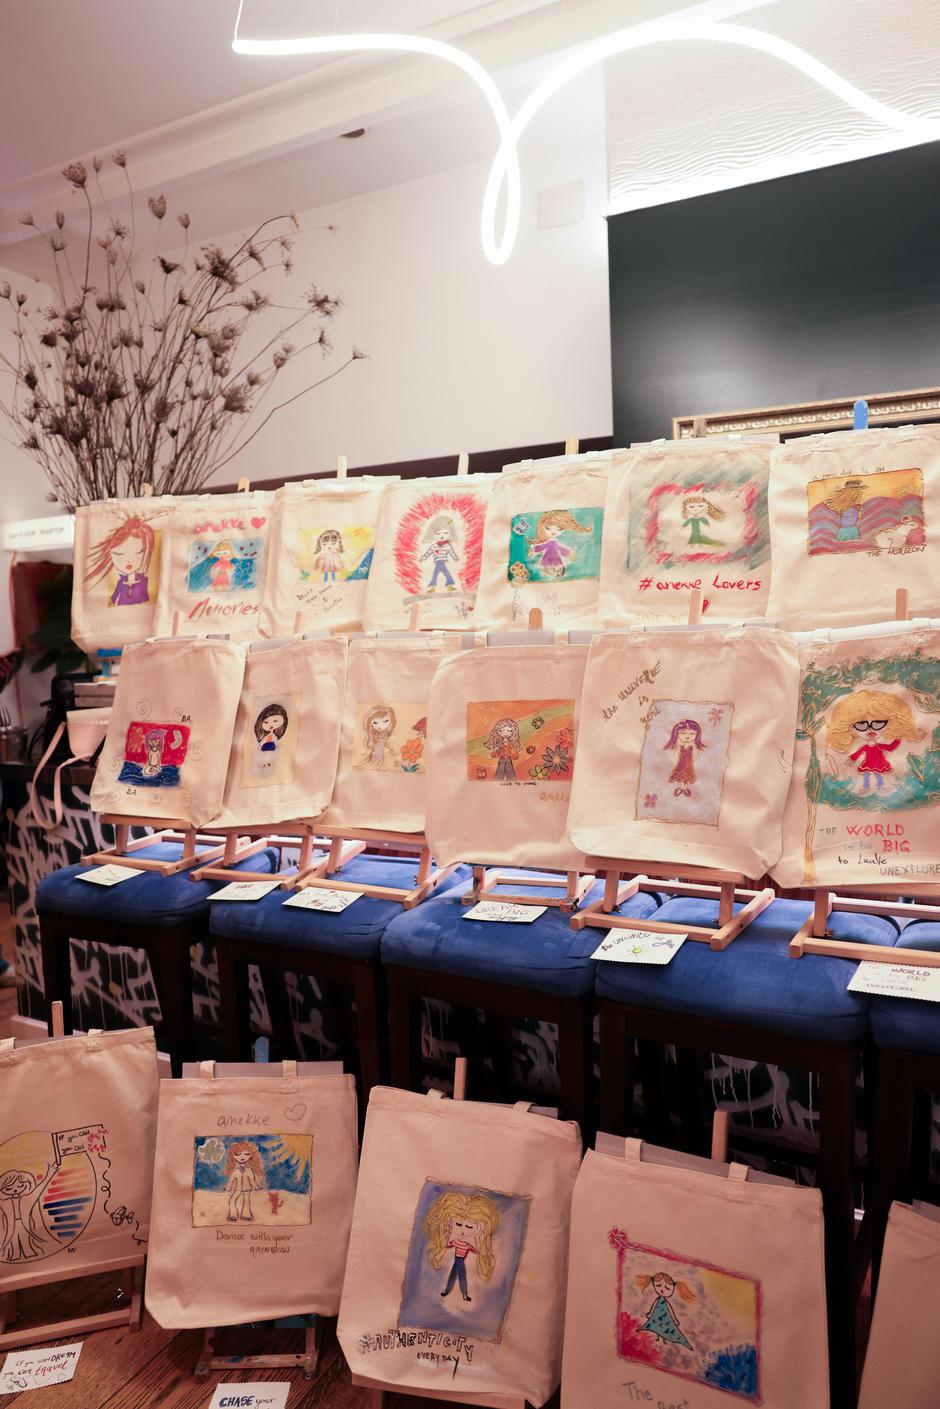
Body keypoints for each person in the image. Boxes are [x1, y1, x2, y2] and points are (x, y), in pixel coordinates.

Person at [826, 689, 924, 792]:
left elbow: (890, 747)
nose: (870, 729)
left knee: (877, 775)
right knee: (867, 775)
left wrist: (899, 737)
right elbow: (858, 753)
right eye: (861, 724)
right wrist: (851, 759)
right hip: (868, 764)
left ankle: (880, 785)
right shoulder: (865, 747)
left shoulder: (880, 746)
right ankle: (866, 786)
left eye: (878, 723)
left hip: (878, 764)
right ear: (850, 728)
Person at [423, 1190, 500, 1304]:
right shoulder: (456, 1241)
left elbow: (474, 1249)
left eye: (469, 1226)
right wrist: (443, 1242)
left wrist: (480, 1251)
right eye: (458, 1224)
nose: (463, 1230)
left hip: (461, 1261)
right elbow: (448, 1244)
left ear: (478, 1228)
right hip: (457, 1261)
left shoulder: (467, 1244)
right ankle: (449, 1291)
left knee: (461, 1276)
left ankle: (464, 1294)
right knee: (454, 1276)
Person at [84, 517, 156, 606]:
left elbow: (146, 600)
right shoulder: (120, 584)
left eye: (138, 553)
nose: (129, 560)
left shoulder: (143, 581)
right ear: (111, 554)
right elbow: (114, 600)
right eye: (119, 554)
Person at [637, 1271, 695, 1349]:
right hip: (656, 1319)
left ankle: (663, 1339)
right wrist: (650, 1313)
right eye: (658, 1285)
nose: (662, 1290)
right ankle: (659, 1337)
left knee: (663, 1329)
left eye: (667, 1288)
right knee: (657, 1327)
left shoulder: (665, 1303)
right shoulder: (658, 1300)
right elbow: (653, 1306)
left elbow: (670, 1311)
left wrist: (675, 1319)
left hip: (666, 1321)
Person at [527, 509, 590, 578]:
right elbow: (542, 547)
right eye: (548, 528)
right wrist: (533, 550)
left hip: (553, 561)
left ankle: (553, 573)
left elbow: (562, 549)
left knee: (553, 569)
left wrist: (569, 554)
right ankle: (552, 573)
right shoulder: (550, 543)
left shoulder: (553, 543)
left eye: (559, 529)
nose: (554, 531)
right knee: (549, 570)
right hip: (549, 561)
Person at [664, 718, 706, 797]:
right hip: (681, 764)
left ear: (697, 735)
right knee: (680, 776)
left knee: (686, 777)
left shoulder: (692, 746)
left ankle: (684, 788)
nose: (687, 736)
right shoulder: (680, 746)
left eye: (692, 733)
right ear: (677, 734)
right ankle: (681, 788)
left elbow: (695, 755)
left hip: (689, 765)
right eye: (683, 733)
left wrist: (691, 760)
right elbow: (676, 755)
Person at [224, 1142, 263, 1223]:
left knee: (246, 1202)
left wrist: (256, 1187)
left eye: (246, 1154)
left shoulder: (249, 1170)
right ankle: (233, 1216)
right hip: (238, 1189)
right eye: (238, 1154)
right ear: (233, 1156)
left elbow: (252, 1181)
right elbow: (231, 1180)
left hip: (247, 1189)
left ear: (251, 1155)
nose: (242, 1157)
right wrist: (227, 1188)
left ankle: (247, 1216)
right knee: (232, 1200)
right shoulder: (235, 1171)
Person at [420, 517, 460, 592]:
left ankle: (437, 587)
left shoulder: (447, 546)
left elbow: (452, 553)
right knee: (439, 574)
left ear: (450, 534)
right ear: (432, 534)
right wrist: (423, 557)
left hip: (442, 562)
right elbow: (428, 553)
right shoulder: (434, 546)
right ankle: (437, 587)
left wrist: (455, 558)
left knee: (440, 574)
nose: (442, 536)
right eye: (438, 533)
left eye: (446, 533)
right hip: (438, 563)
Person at [484, 717, 521, 781]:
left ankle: (512, 781)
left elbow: (513, 751)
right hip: (501, 759)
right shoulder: (500, 743)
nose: (505, 733)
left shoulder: (510, 743)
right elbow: (497, 750)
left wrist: (514, 755)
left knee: (510, 772)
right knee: (500, 773)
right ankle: (497, 781)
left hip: (508, 759)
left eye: (509, 731)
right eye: (501, 730)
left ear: (513, 732)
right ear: (497, 731)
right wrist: (495, 753)